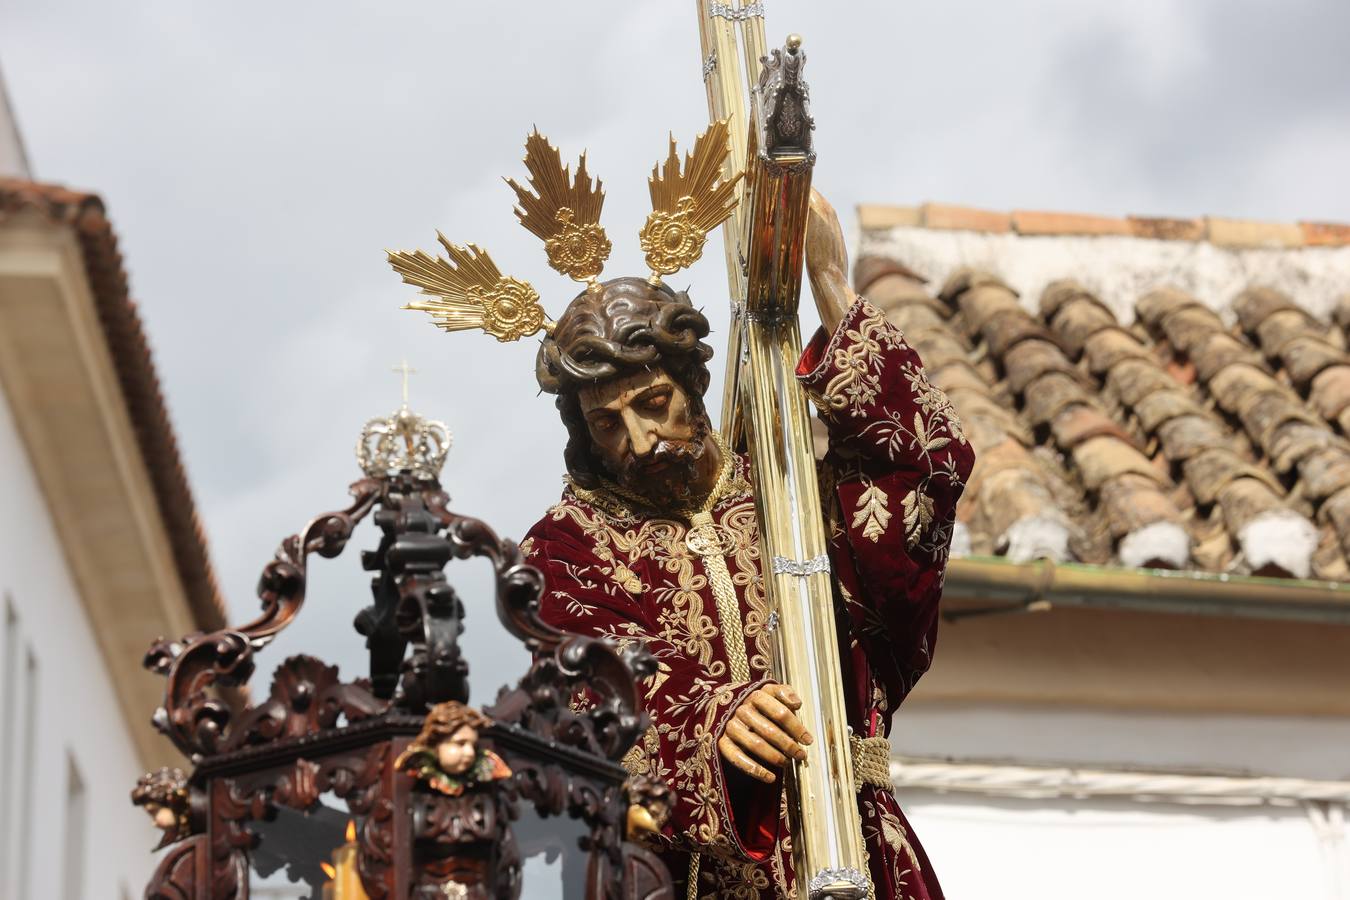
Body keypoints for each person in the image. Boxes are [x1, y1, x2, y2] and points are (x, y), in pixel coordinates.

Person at [519, 192, 974, 899]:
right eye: (607, 423)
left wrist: (830, 283)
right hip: (694, 875)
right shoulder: (567, 550)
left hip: (858, 846)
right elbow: (581, 696)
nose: (638, 441)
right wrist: (714, 716)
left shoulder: (788, 489)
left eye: (651, 404)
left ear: (691, 384)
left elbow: (925, 465)